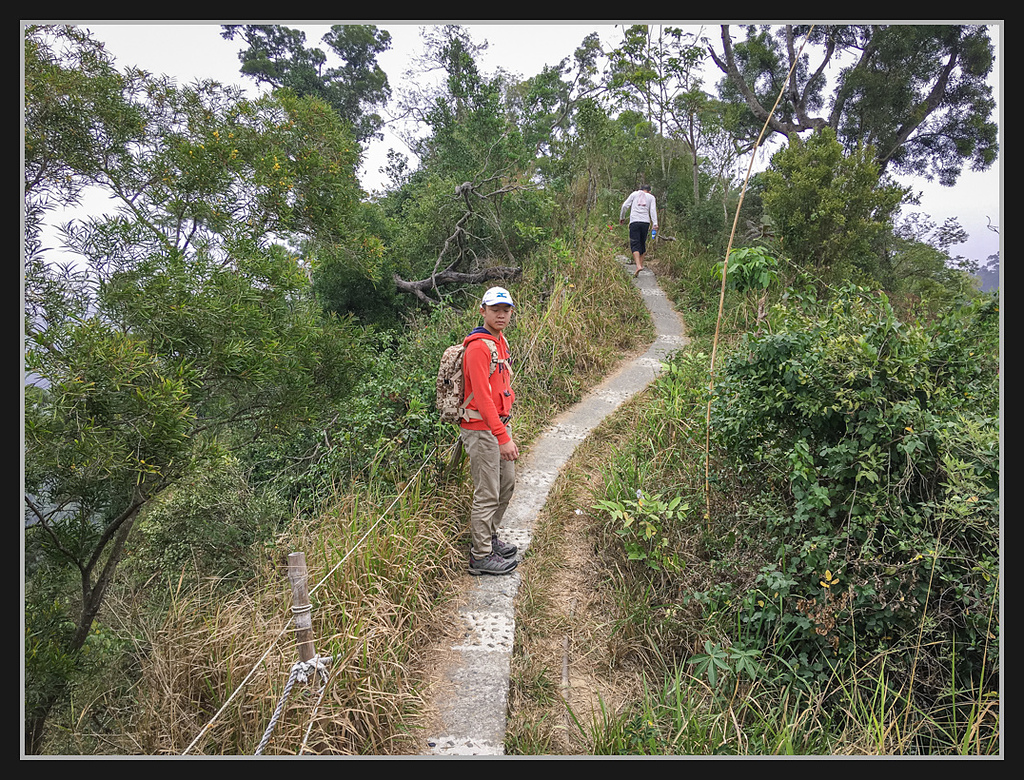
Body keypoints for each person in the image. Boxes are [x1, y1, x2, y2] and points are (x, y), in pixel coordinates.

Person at [460, 287, 520, 576]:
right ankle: (480, 556)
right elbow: (483, 399)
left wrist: (504, 429)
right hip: (481, 429)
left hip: (497, 426)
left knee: (506, 485)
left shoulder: (500, 341)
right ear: (482, 310)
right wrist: (502, 435)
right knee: (487, 493)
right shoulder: (478, 348)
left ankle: (490, 538)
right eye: (495, 308)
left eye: (506, 309)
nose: (501, 314)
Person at [619, 184, 658, 277]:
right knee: (642, 243)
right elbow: (652, 210)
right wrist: (655, 223)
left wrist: (622, 217)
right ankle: (640, 265)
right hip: (645, 222)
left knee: (635, 243)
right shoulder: (651, 197)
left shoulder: (634, 194)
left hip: (634, 222)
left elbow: (625, 206)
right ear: (649, 191)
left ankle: (638, 266)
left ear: (640, 189)